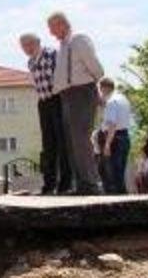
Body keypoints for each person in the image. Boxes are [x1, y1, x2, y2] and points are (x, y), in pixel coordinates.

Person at [48, 12, 105, 195]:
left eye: (52, 27)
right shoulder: (63, 46)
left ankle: (91, 184)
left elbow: (96, 69)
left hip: (81, 92)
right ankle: (82, 184)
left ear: (62, 24)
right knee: (72, 142)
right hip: (67, 95)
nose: (51, 32)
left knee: (80, 139)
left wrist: (92, 89)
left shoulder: (79, 40)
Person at [21, 33, 71, 195]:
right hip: (43, 102)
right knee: (48, 144)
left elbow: (61, 77)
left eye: (29, 44)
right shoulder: (30, 62)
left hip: (57, 99)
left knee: (62, 142)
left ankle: (65, 184)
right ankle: (48, 184)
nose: (27, 48)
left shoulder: (51, 54)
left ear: (38, 42)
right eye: (23, 46)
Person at [98, 78, 132, 195]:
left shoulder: (111, 102)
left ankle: (116, 198)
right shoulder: (124, 99)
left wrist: (107, 144)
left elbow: (112, 124)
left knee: (110, 174)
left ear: (104, 88)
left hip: (113, 138)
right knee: (120, 172)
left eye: (100, 90)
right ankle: (123, 196)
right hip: (125, 136)